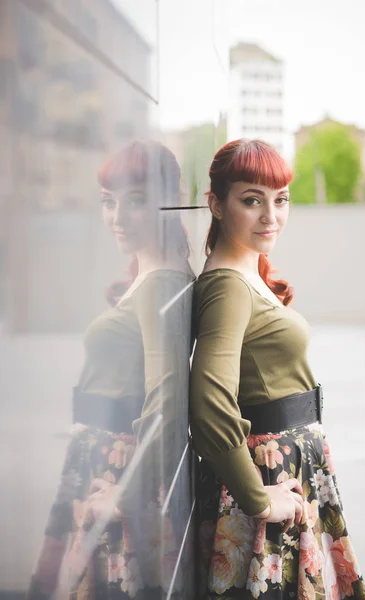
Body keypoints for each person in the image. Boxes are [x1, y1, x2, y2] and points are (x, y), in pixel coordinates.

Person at [189, 139, 365, 599]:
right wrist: (256, 496)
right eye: (252, 200)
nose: (271, 216)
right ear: (216, 204)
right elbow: (210, 404)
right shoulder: (227, 285)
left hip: (287, 469)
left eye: (281, 199)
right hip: (268, 477)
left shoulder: (247, 271)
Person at [27, 140, 195, 599]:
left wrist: (126, 491)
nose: (117, 216)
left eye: (135, 200)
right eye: (108, 201)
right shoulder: (151, 273)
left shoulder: (161, 281)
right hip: (104, 461)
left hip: (120, 468)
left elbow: (168, 396)